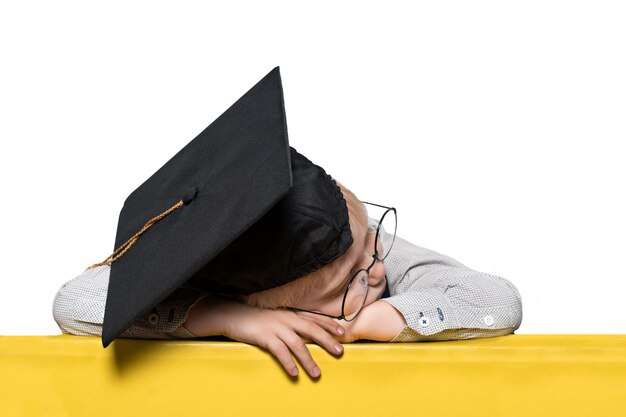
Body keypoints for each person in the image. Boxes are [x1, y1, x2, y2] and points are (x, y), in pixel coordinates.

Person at [54, 181, 523, 378]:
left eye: (371, 253)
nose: (377, 271)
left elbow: (499, 300)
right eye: (348, 287)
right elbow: (75, 302)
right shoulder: (227, 277)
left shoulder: (371, 246)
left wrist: (373, 318)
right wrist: (224, 317)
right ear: (271, 306)